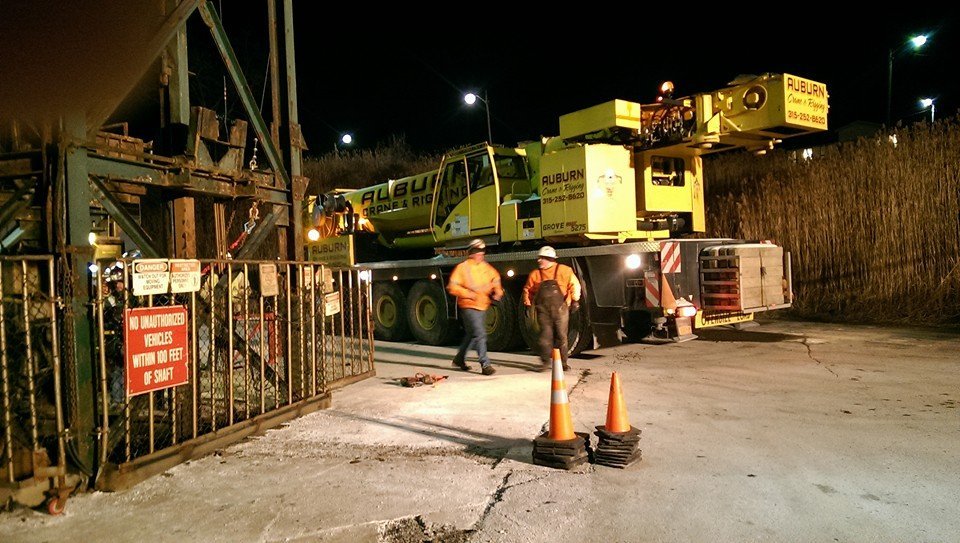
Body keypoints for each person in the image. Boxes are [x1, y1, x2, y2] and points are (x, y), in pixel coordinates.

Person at [447, 239, 503, 376]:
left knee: (472, 334)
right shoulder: (463, 267)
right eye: (477, 251)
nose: (480, 254)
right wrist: (468, 294)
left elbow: (495, 278)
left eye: (482, 251)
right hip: (468, 305)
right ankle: (485, 364)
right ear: (471, 252)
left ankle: (459, 359)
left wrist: (498, 291)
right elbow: (452, 286)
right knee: (480, 333)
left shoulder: (486, 267)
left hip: (482, 305)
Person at [522, 246, 582, 372]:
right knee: (545, 337)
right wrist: (527, 305)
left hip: (561, 309)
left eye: (541, 258)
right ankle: (545, 362)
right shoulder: (535, 274)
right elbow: (528, 290)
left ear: (549, 259)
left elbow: (574, 285)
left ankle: (563, 363)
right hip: (543, 311)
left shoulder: (564, 271)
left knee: (562, 336)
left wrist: (575, 300)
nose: (539, 261)